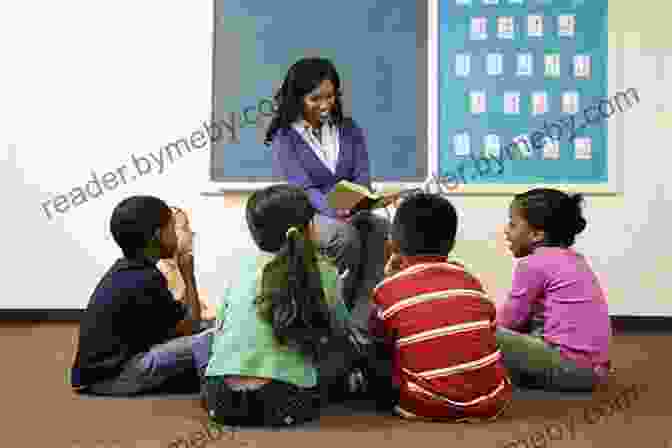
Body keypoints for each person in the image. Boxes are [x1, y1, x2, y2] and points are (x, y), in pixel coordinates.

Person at [201, 185, 367, 427]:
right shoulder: (325, 272)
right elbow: (341, 331)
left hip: (221, 400)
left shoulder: (238, 270)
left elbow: (218, 333)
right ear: (310, 228)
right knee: (345, 353)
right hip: (284, 402)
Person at [266, 57, 391, 329]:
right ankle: (332, 316)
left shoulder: (350, 129)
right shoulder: (284, 138)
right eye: (315, 99)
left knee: (381, 229)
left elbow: (361, 176)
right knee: (343, 236)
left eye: (330, 97)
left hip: (351, 210)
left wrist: (360, 202)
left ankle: (361, 319)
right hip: (310, 215)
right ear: (298, 99)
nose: (325, 106)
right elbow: (303, 189)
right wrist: (334, 212)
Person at [369, 193, 512, 422]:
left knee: (375, 349)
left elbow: (379, 341)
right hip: (492, 400)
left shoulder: (387, 290)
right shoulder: (470, 281)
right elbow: (491, 331)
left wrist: (390, 280)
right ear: (452, 243)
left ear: (393, 242)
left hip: (426, 403)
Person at [71, 196, 211, 395]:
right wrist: (188, 274)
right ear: (157, 235)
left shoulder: (128, 270)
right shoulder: (146, 278)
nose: (179, 236)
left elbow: (177, 320)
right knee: (208, 339)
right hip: (116, 376)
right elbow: (191, 325)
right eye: (172, 228)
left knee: (207, 332)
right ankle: (216, 388)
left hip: (99, 376)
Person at [496, 188, 612, 391]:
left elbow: (510, 319)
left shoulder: (533, 264)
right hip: (593, 370)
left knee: (480, 332)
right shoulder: (574, 259)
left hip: (569, 367)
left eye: (513, 225)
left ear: (537, 234)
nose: (506, 230)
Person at [157, 207, 216, 322]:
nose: (192, 233)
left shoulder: (177, 268)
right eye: (185, 228)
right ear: (169, 232)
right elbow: (190, 319)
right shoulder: (165, 272)